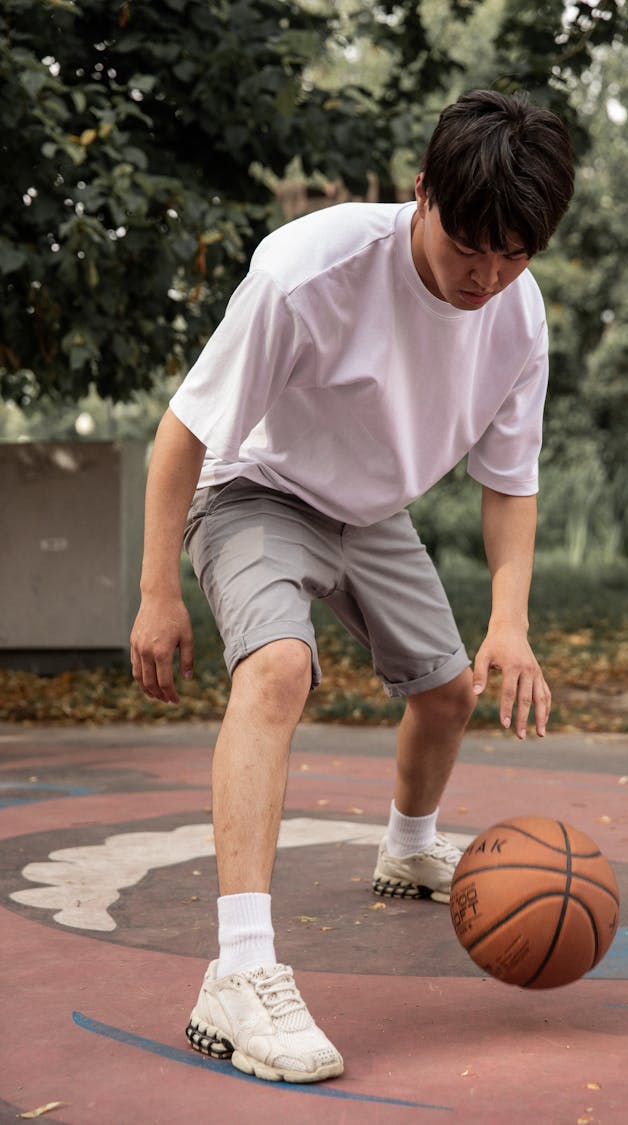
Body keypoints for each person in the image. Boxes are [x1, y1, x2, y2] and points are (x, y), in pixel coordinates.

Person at [130, 89, 575, 1083]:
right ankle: (239, 973)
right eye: (471, 245)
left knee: (449, 691)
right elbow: (185, 431)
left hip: (370, 509)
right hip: (253, 486)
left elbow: (511, 483)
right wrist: (158, 590)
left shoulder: (518, 312)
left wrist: (511, 623)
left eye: (516, 253)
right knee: (282, 666)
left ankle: (408, 849)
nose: (488, 275)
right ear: (421, 193)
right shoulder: (309, 270)